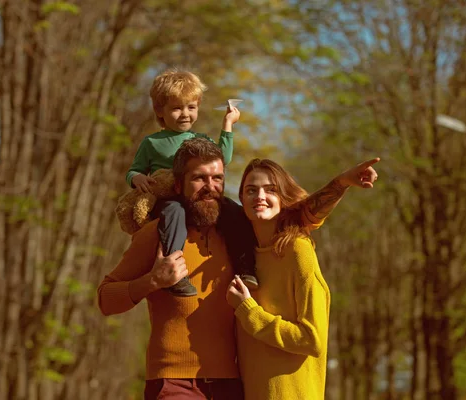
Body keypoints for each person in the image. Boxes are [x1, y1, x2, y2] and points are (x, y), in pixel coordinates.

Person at [98, 138, 379, 399]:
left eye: (217, 178)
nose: (210, 186)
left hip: (233, 385)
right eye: (198, 178)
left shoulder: (240, 234)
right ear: (177, 185)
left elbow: (294, 212)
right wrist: (152, 281)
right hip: (174, 383)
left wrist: (342, 183)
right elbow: (105, 298)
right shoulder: (157, 235)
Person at [123, 67, 260, 296]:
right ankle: (175, 271)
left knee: (234, 212)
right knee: (174, 212)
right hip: (168, 199)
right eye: (177, 108)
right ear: (160, 111)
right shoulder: (151, 142)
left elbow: (222, 158)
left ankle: (246, 268)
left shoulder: (200, 139)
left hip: (198, 197)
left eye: (191, 107)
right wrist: (136, 178)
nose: (185, 113)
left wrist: (228, 125)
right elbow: (133, 170)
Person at [226, 158, 357, 399]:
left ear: (284, 198)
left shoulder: (298, 250)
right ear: (241, 199)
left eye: (271, 189)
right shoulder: (243, 256)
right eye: (251, 190)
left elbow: (312, 339)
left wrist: (249, 312)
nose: (260, 196)